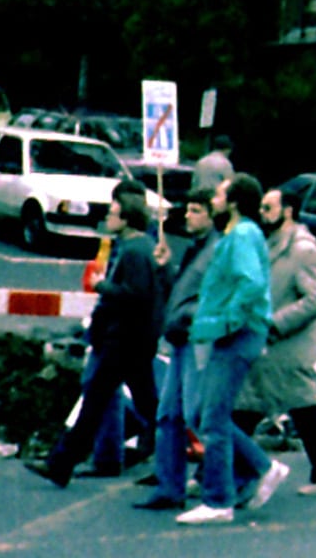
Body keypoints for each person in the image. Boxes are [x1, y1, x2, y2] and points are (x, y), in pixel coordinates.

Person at [30, 181, 164, 487]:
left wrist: (103, 286)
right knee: (141, 404)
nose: (108, 218)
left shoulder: (133, 251)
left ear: (127, 218)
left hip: (124, 341)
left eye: (114, 213)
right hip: (132, 341)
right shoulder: (136, 247)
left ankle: (62, 462)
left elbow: (136, 296)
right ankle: (167, 454)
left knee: (98, 401)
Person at [178, 174, 288, 525]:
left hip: (236, 335)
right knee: (205, 414)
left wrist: (228, 320)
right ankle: (261, 466)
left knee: (211, 417)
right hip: (233, 333)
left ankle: (218, 500)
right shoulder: (241, 233)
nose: (215, 197)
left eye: (221, 192)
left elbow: (251, 283)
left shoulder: (241, 234)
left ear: (235, 200)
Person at [234, 187, 316, 496]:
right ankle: (221, 472)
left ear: (289, 211)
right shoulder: (271, 243)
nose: (263, 213)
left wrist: (277, 322)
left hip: (289, 347)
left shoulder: (303, 249)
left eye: (269, 208)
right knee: (247, 405)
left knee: (305, 409)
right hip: (268, 344)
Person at [137, 190, 222, 511]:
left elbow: (208, 297)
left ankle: (247, 469)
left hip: (195, 339)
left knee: (196, 414)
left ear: (212, 217)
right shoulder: (196, 249)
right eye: (188, 210)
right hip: (182, 337)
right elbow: (182, 291)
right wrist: (165, 268)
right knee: (169, 414)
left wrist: (188, 317)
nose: (188, 216)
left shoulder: (214, 252)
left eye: (196, 211)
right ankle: (169, 487)